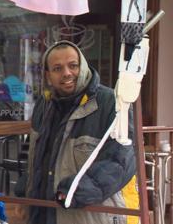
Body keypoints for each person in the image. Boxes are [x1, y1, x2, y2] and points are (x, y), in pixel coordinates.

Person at [20, 40, 138, 224]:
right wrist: (24, 194)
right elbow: (35, 159)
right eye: (57, 68)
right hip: (44, 214)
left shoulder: (111, 103)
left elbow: (122, 161)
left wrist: (75, 191)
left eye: (73, 65)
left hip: (91, 216)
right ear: (48, 75)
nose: (67, 73)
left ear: (82, 66)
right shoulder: (44, 104)